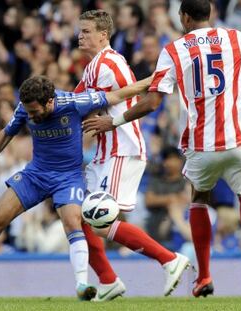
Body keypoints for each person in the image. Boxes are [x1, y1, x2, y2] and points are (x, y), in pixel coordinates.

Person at [83, 0, 241, 297]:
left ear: (185, 17)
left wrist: (114, 122)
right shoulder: (234, 38)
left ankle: (204, 276)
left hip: (200, 145)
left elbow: (152, 103)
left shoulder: (174, 50)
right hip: (237, 140)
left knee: (198, 199)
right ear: (210, 14)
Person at [0, 75, 152, 302]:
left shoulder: (74, 102)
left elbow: (117, 95)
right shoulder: (24, 108)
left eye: (34, 112)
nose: (30, 116)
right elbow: (7, 132)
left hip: (68, 177)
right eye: (28, 111)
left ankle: (82, 285)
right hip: (36, 174)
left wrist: (154, 79)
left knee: (73, 223)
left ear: (50, 102)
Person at [76, 10, 190, 301]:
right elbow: (75, 101)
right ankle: (109, 280)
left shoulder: (108, 64)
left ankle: (169, 260)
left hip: (120, 148)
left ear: (103, 35)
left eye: (87, 31)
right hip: (106, 150)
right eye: (80, 30)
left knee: (99, 219)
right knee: (83, 219)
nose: (80, 35)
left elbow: (90, 106)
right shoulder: (93, 66)